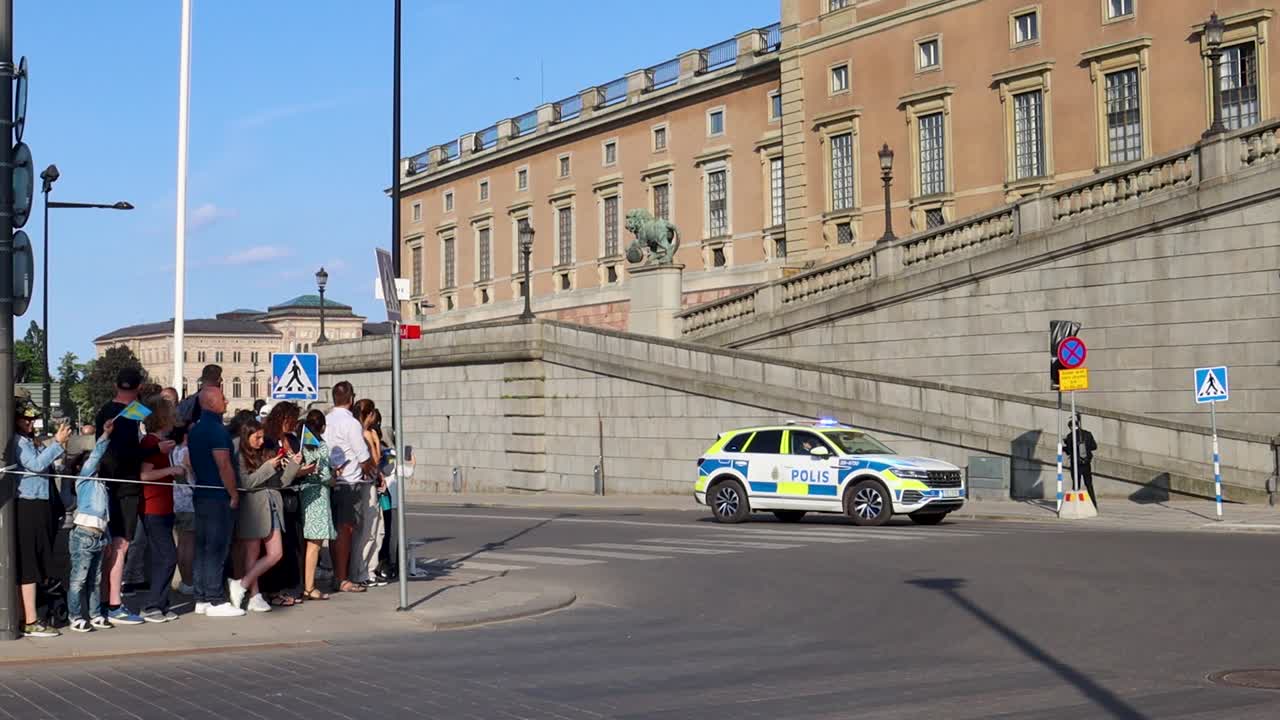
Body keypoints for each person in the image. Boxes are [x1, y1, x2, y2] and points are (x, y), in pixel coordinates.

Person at [94, 367, 158, 626]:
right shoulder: (130, 415)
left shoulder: (106, 411)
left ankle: (102, 602)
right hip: (125, 486)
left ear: (116, 385)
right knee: (121, 545)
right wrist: (155, 449)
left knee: (110, 545)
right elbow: (128, 452)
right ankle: (114, 604)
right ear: (139, 387)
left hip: (108, 483)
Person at [12, 402, 71, 638]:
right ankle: (29, 620)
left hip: (39, 504)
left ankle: (28, 617)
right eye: (25, 418)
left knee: (36, 561)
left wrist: (58, 445)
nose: (29, 422)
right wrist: (56, 442)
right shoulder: (18, 441)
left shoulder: (30, 441)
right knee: (29, 564)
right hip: (28, 505)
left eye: (32, 419)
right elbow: (35, 465)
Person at [230, 419, 303, 612]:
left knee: (276, 553)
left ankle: (241, 584)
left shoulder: (267, 452)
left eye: (262, 437)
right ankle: (254, 595)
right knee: (252, 553)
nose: (261, 441)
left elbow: (281, 482)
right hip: (253, 508)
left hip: (273, 506)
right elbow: (246, 483)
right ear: (247, 436)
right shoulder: (240, 455)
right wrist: (268, 467)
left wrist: (293, 466)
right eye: (257, 437)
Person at [187, 386, 245, 617]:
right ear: (211, 402)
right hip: (217, 495)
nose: (227, 401)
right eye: (222, 398)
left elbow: (191, 463)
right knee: (217, 548)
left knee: (202, 547)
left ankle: (201, 597)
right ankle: (215, 598)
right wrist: (234, 493)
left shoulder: (195, 430)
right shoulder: (217, 430)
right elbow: (224, 465)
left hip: (202, 492)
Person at [66, 421, 116, 633]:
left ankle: (95, 615)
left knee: (95, 580)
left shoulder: (101, 485)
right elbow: (95, 456)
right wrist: (105, 436)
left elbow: (105, 516)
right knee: (78, 580)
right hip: (83, 535)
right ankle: (75, 616)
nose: (96, 464)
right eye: (89, 462)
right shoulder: (84, 480)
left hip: (99, 536)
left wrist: (108, 539)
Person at [138, 398, 183, 622]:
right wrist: (170, 470)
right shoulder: (150, 443)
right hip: (153, 506)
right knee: (167, 556)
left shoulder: (158, 442)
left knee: (162, 556)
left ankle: (161, 603)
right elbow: (143, 475)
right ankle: (153, 604)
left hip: (162, 505)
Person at [324, 382, 371, 593]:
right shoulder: (351, 423)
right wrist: (372, 472)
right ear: (351, 399)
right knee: (345, 530)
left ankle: (337, 575)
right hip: (348, 484)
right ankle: (343, 578)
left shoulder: (326, 420)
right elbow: (363, 457)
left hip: (329, 482)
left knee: (334, 531)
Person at [258, 402, 306, 606]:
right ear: (283, 418)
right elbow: (273, 472)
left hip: (292, 495)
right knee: (276, 546)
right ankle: (272, 589)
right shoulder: (268, 440)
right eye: (292, 420)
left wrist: (300, 468)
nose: (294, 424)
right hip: (275, 495)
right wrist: (295, 468)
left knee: (294, 543)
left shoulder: (292, 439)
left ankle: (292, 586)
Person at [299, 410, 336, 600]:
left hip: (305, 492)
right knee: (315, 543)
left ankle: (306, 584)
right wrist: (334, 479)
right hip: (319, 495)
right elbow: (325, 475)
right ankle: (310, 587)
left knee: (308, 542)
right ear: (322, 427)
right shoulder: (321, 446)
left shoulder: (302, 444)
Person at [354, 399, 386, 588]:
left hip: (372, 482)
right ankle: (361, 571)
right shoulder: (362, 433)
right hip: (365, 484)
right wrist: (374, 441)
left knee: (377, 531)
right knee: (368, 531)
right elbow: (375, 459)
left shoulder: (367, 432)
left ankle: (370, 570)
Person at [170, 424, 196, 595]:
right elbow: (192, 470)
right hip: (189, 500)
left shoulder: (173, 450)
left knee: (182, 542)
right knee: (189, 543)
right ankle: (188, 580)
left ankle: (184, 580)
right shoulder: (186, 450)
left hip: (177, 500)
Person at [1063, 414, 1099, 509]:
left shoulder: (1070, 436)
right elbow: (1094, 446)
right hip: (1086, 463)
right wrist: (1086, 447)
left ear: (1070, 427)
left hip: (1076, 464)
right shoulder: (1088, 434)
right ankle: (1094, 505)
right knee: (1089, 485)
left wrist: (1064, 447)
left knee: (1076, 485)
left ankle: (1076, 506)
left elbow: (1069, 451)